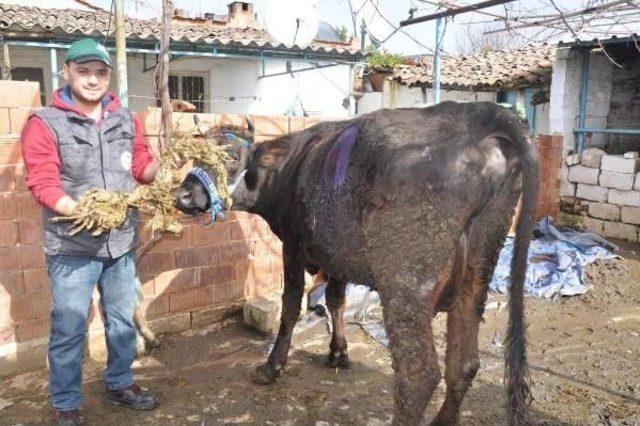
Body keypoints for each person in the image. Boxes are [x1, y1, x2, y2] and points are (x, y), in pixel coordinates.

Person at [21, 38, 160, 426]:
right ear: (66, 72)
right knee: (68, 329)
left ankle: (119, 384)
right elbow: (43, 183)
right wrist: (83, 212)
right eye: (84, 71)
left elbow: (141, 165)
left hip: (121, 244)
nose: (93, 80)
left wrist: (160, 172)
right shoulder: (45, 122)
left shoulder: (126, 118)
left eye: (101, 72)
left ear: (109, 76)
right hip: (71, 246)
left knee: (120, 322)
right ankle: (65, 404)